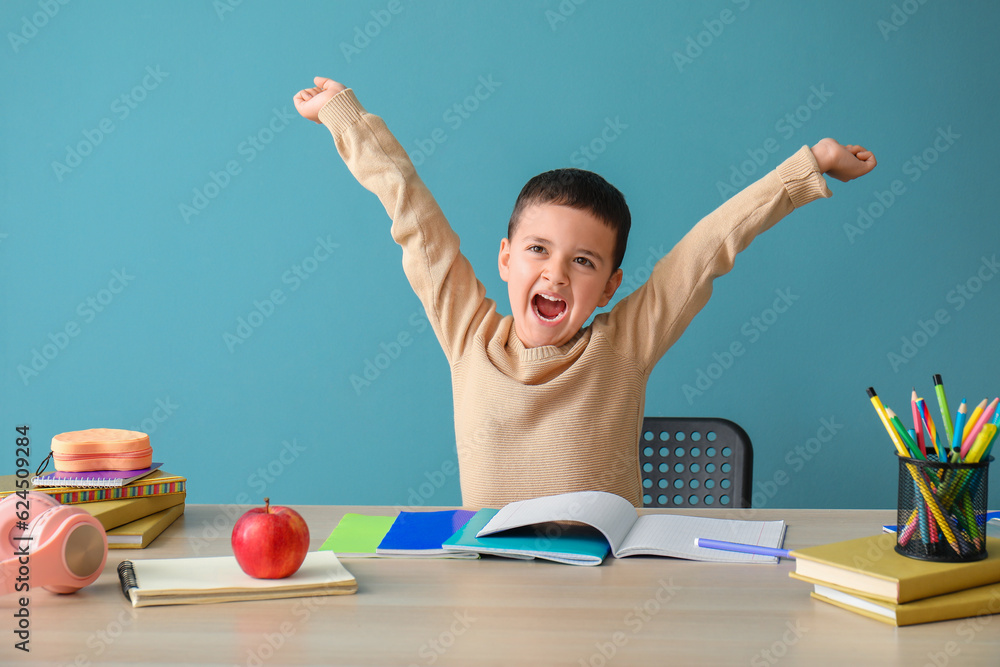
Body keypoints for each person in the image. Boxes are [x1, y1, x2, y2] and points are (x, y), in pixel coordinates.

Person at [294, 76, 876, 508]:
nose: (556, 275)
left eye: (583, 261)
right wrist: (344, 116)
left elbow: (708, 246)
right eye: (537, 250)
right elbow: (411, 213)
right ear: (504, 259)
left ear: (609, 287)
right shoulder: (468, 336)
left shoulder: (625, 343)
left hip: (608, 592)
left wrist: (810, 168)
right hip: (491, 588)